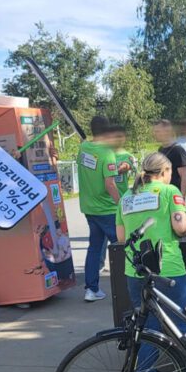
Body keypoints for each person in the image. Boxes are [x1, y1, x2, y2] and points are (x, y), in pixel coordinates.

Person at [116, 152, 186, 372]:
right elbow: (181, 228)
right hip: (168, 268)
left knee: (147, 327)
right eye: (170, 172)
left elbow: (121, 238)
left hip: (135, 270)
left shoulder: (126, 197)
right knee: (183, 323)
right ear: (164, 172)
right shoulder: (169, 192)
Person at [77, 116, 121, 302]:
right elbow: (110, 184)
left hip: (89, 208)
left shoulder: (83, 148)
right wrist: (122, 204)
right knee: (122, 247)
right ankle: (126, 288)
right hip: (107, 209)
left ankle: (91, 289)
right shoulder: (107, 153)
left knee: (94, 248)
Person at [152, 119, 186, 199]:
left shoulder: (178, 151)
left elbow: (184, 178)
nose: (155, 134)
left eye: (158, 131)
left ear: (167, 132)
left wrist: (182, 199)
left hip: (174, 195)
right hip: (163, 195)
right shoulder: (161, 149)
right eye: (155, 131)